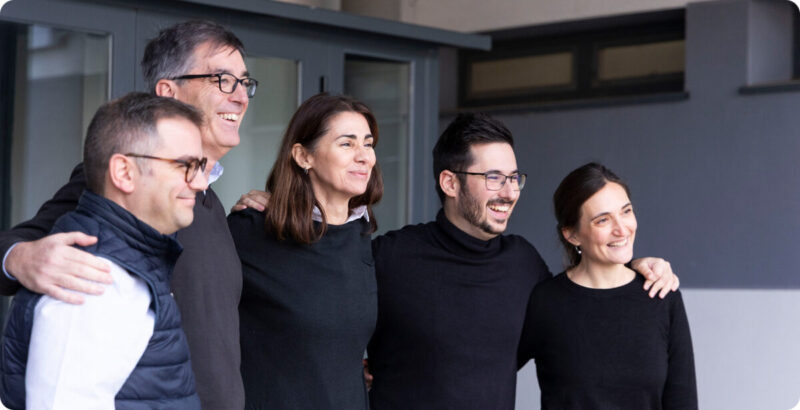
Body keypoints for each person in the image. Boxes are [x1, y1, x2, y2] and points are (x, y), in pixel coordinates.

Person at [232, 113, 679, 409]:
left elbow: (579, 309)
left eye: (514, 177)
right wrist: (279, 207)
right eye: (493, 177)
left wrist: (636, 265)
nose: (509, 192)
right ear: (449, 182)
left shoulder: (523, 264)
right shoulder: (390, 255)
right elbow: (321, 303)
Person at [0, 20, 255, 409]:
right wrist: (19, 257)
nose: (240, 97)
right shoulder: (123, 183)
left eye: (245, 83)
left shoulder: (209, 202)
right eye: (223, 80)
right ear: (169, 92)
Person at [0, 92, 208, 409]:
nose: (201, 182)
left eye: (201, 166)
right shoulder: (91, 282)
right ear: (123, 172)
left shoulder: (126, 264)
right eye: (185, 165)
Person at [228, 93, 382, 409]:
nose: (364, 156)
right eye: (347, 143)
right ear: (303, 156)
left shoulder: (361, 237)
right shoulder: (251, 231)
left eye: (368, 144)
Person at [517, 162, 697, 409]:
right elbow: (488, 369)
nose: (622, 229)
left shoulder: (662, 295)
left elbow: (683, 402)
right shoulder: (545, 301)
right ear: (572, 234)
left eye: (626, 211)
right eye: (602, 220)